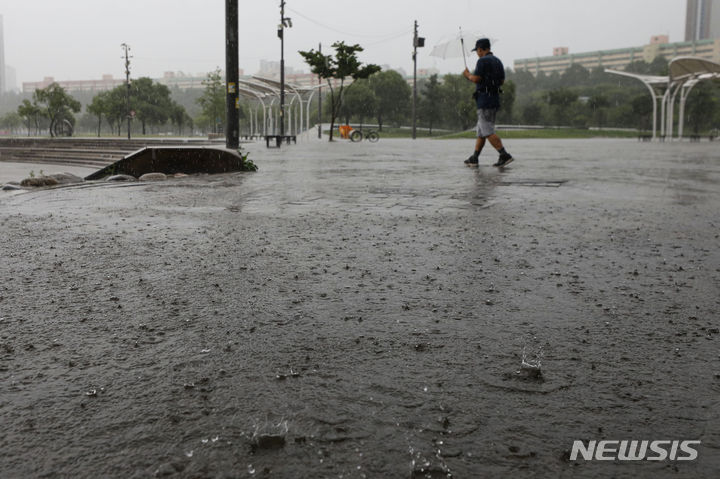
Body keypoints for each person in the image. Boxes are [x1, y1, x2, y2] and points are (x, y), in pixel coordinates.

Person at [462, 38, 514, 167]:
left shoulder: (482, 61)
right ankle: (475, 158)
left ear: (481, 49)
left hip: (484, 100)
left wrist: (468, 75)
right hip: (494, 98)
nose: (477, 53)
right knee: (481, 131)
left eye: (477, 51)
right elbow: (501, 81)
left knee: (487, 130)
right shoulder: (497, 61)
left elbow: (476, 78)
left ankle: (504, 154)